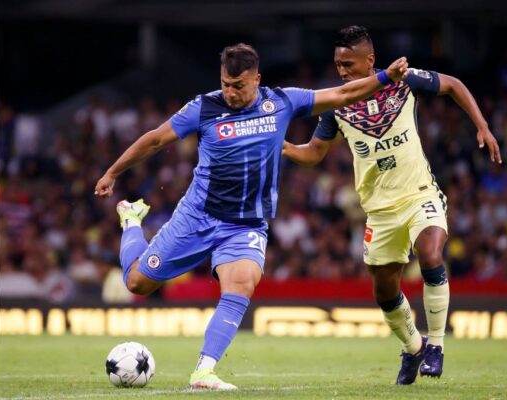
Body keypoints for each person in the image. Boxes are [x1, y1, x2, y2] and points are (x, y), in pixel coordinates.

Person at [94, 43, 409, 390]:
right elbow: (155, 140)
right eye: (226, 84)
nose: (230, 92)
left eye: (239, 86)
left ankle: (204, 372)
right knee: (137, 284)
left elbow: (343, 93)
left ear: (256, 79)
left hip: (244, 224)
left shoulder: (283, 101)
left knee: (241, 283)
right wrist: (112, 172)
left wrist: (383, 78)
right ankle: (132, 221)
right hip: (197, 216)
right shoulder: (203, 107)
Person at [283, 26, 501, 385]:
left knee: (430, 254)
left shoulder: (403, 80)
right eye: (338, 64)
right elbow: (314, 152)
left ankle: (435, 345)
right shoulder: (337, 104)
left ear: (370, 60)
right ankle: (413, 347)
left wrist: (482, 126)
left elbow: (453, 85)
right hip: (379, 211)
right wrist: (284, 148)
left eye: (349, 64)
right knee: (385, 290)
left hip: (419, 195)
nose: (342, 71)